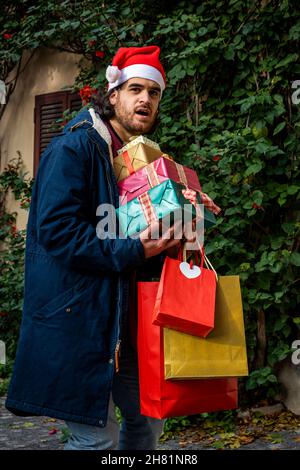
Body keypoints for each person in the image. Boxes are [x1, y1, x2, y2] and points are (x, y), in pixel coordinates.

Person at [5, 46, 184, 450]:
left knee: (147, 425)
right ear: (113, 93)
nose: (145, 100)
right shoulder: (75, 148)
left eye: (154, 93)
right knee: (96, 439)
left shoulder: (134, 160)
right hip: (77, 320)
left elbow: (144, 229)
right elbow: (58, 232)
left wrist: (188, 212)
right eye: (135, 89)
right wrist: (135, 250)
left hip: (122, 324)